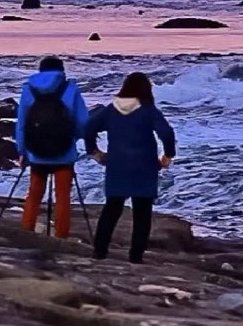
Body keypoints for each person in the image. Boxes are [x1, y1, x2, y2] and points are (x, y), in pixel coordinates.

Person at [84, 72, 176, 263]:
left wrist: (94, 152)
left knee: (111, 209)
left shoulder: (112, 110)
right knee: (142, 213)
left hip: (117, 164)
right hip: (144, 165)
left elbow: (88, 127)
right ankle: (136, 257)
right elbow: (167, 133)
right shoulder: (148, 110)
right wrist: (168, 155)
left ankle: (99, 252)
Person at [14, 54, 90, 239]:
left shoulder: (28, 89)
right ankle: (62, 237)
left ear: (40, 71)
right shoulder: (70, 89)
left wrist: (22, 151)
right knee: (62, 196)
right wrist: (74, 138)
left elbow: (22, 124)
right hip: (64, 152)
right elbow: (82, 123)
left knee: (33, 194)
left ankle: (26, 232)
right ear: (61, 71)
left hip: (37, 153)